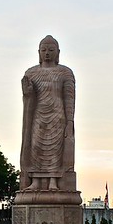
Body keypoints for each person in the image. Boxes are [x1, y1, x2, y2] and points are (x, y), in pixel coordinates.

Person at [19, 35, 76, 191]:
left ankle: (53, 181)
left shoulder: (65, 73)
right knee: (36, 147)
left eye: (51, 50)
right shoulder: (31, 73)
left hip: (57, 116)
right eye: (44, 50)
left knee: (55, 149)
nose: (47, 53)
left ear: (58, 52)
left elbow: (69, 98)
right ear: (39, 52)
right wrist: (27, 92)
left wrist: (70, 121)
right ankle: (35, 181)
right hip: (38, 115)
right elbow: (29, 96)